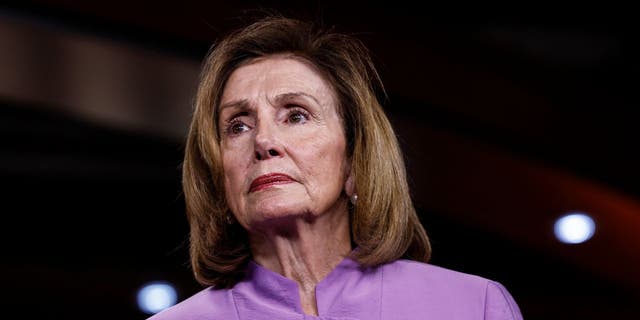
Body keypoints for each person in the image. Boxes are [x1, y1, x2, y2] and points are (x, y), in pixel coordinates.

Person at [149, 14, 523, 320]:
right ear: (218, 174)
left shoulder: (473, 306)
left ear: (354, 162)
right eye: (238, 126)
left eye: (296, 115)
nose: (263, 141)